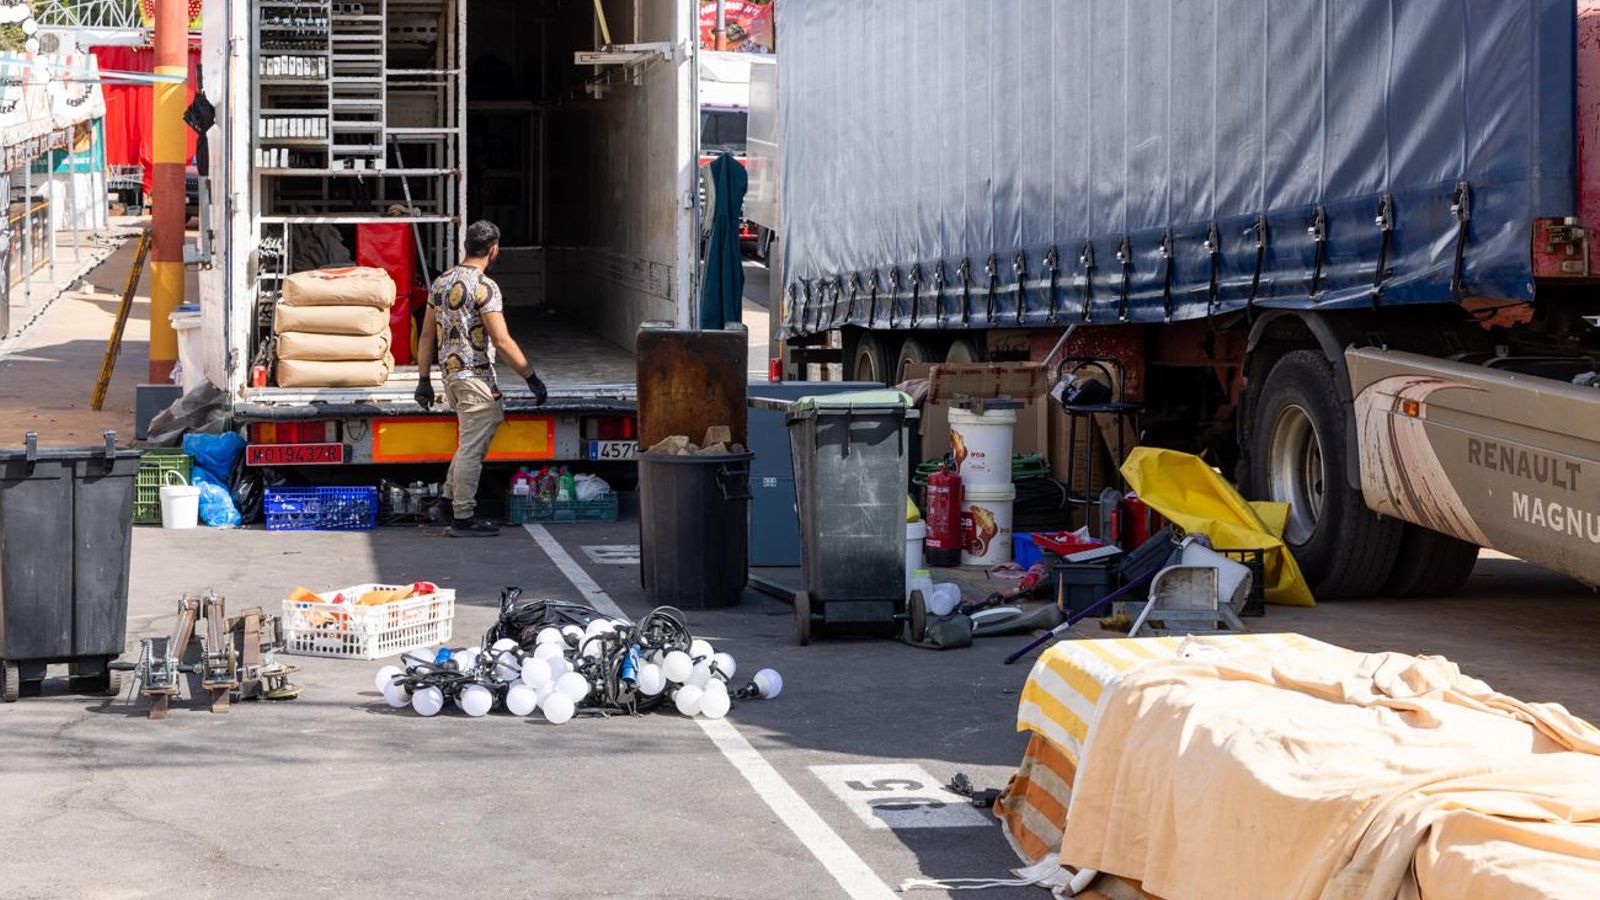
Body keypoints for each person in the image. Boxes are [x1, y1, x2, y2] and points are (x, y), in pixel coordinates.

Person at [415, 220, 547, 538]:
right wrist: (530, 377)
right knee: (473, 450)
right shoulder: (485, 287)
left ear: (465, 246)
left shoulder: (441, 283)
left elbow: (426, 336)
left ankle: (446, 503)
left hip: (451, 377)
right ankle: (462, 516)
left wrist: (424, 380)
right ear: (493, 249)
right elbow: (502, 341)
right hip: (475, 379)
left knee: (468, 443)